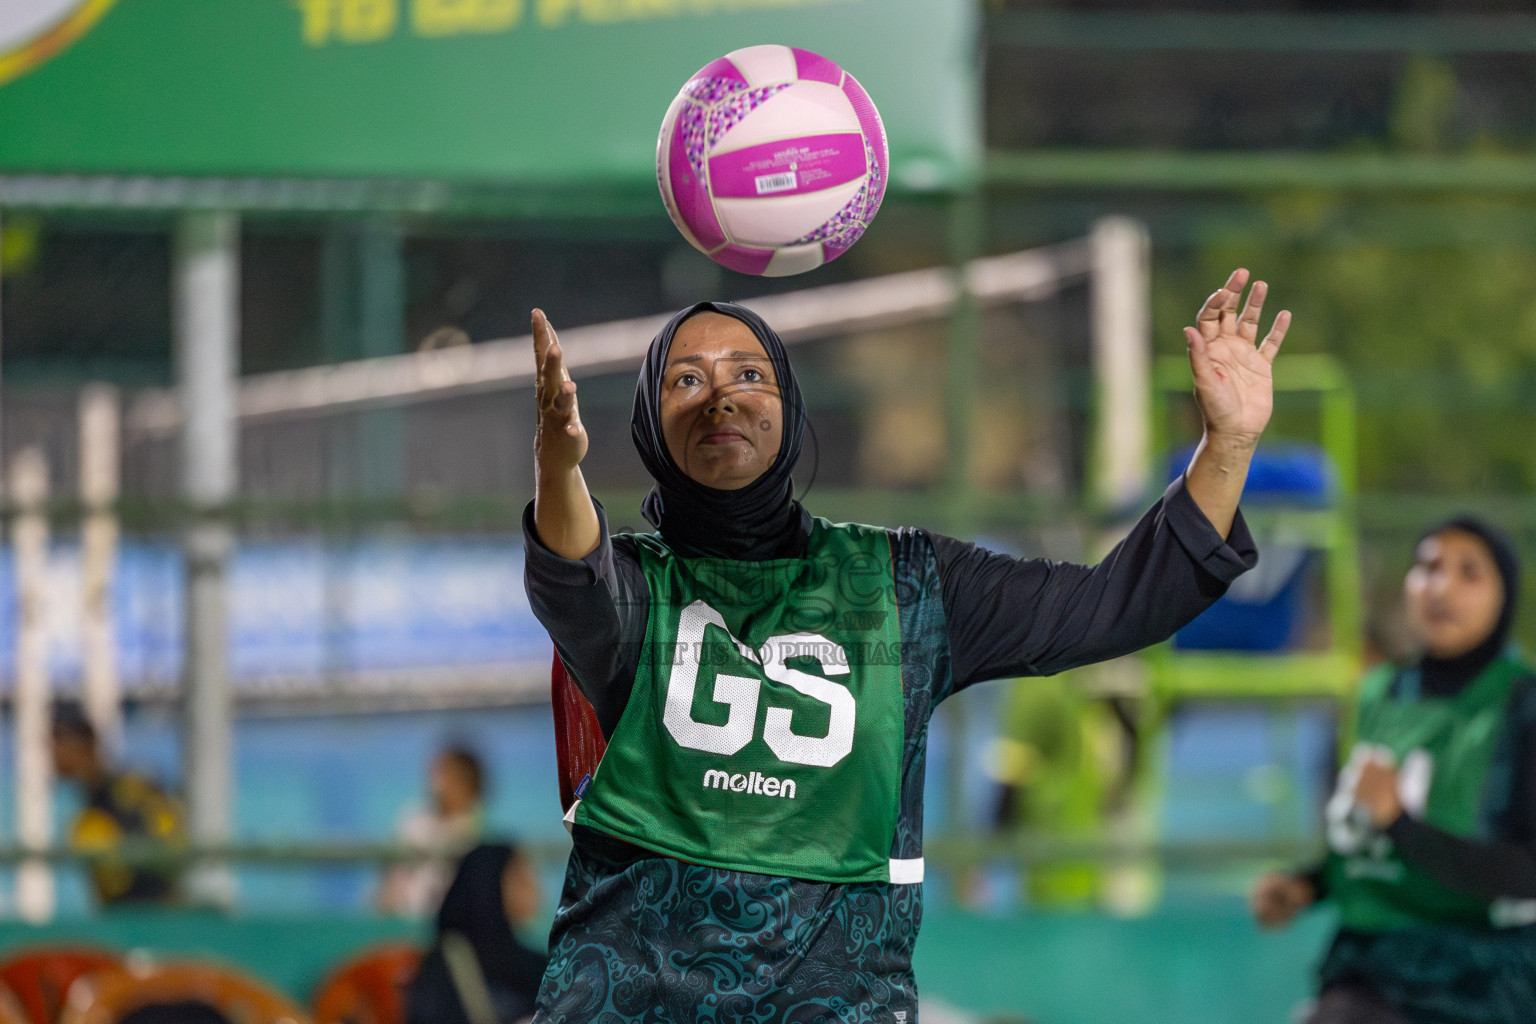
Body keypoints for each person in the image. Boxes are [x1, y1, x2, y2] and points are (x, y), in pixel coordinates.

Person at [525, 269, 1286, 1020]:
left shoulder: (908, 585)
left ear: (791, 404)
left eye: (749, 372)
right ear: (649, 428)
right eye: (685, 379)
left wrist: (1229, 443)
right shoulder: (634, 593)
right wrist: (558, 469)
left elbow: (1111, 606)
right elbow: (572, 567)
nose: (721, 395)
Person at [1251, 519, 1536, 1024]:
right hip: (1368, 967)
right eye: (1427, 567)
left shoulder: (1521, 704)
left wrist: (1400, 825)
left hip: (1478, 976)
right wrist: (1308, 885)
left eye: (1469, 573)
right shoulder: (1376, 693)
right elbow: (1364, 842)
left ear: (1504, 596)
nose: (1440, 587)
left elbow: (1525, 872)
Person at [50, 704, 185, 907]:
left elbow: (159, 861)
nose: (50, 753)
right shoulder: (98, 802)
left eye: (57, 740)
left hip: (146, 921)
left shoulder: (127, 794)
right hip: (130, 923)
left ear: (86, 743)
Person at [405, 842, 547, 1024]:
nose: (534, 888)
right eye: (520, 878)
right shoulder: (448, 965)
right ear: (489, 884)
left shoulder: (537, 968)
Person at [379, 745, 486, 916]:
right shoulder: (414, 819)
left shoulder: (482, 831)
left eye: (446, 774)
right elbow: (391, 879)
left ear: (468, 782)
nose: (437, 783)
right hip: (408, 919)